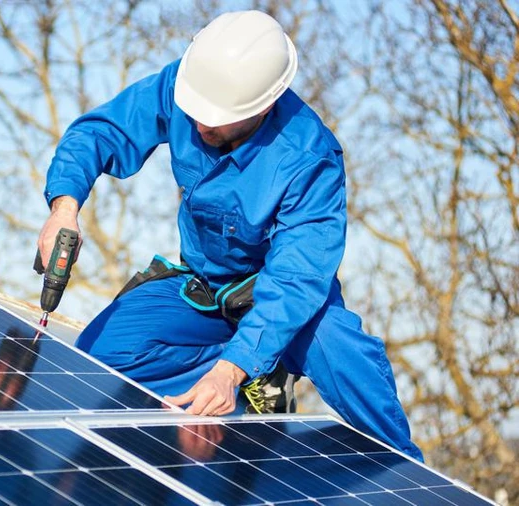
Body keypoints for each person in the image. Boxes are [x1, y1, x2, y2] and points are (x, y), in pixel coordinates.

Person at [36, 10, 423, 461]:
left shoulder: (309, 158)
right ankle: (257, 374)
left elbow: (296, 280)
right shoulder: (186, 85)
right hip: (202, 290)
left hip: (276, 299)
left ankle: (410, 472)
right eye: (195, 114)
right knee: (97, 357)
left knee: (344, 355)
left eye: (216, 120)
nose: (200, 126)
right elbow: (103, 131)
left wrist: (233, 367)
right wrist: (64, 208)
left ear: (261, 107)